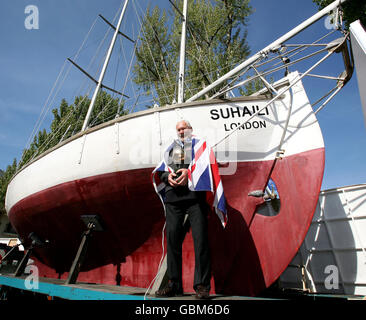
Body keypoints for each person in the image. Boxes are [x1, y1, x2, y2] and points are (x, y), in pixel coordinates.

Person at [153, 120, 211, 299]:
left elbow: (205, 166)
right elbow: (162, 170)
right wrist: (167, 177)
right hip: (174, 198)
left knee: (200, 240)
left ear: (190, 129)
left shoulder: (200, 145)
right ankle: (174, 284)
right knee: (172, 240)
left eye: (184, 128)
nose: (180, 131)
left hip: (195, 197)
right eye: (178, 129)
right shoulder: (170, 149)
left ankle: (201, 285)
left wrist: (190, 172)